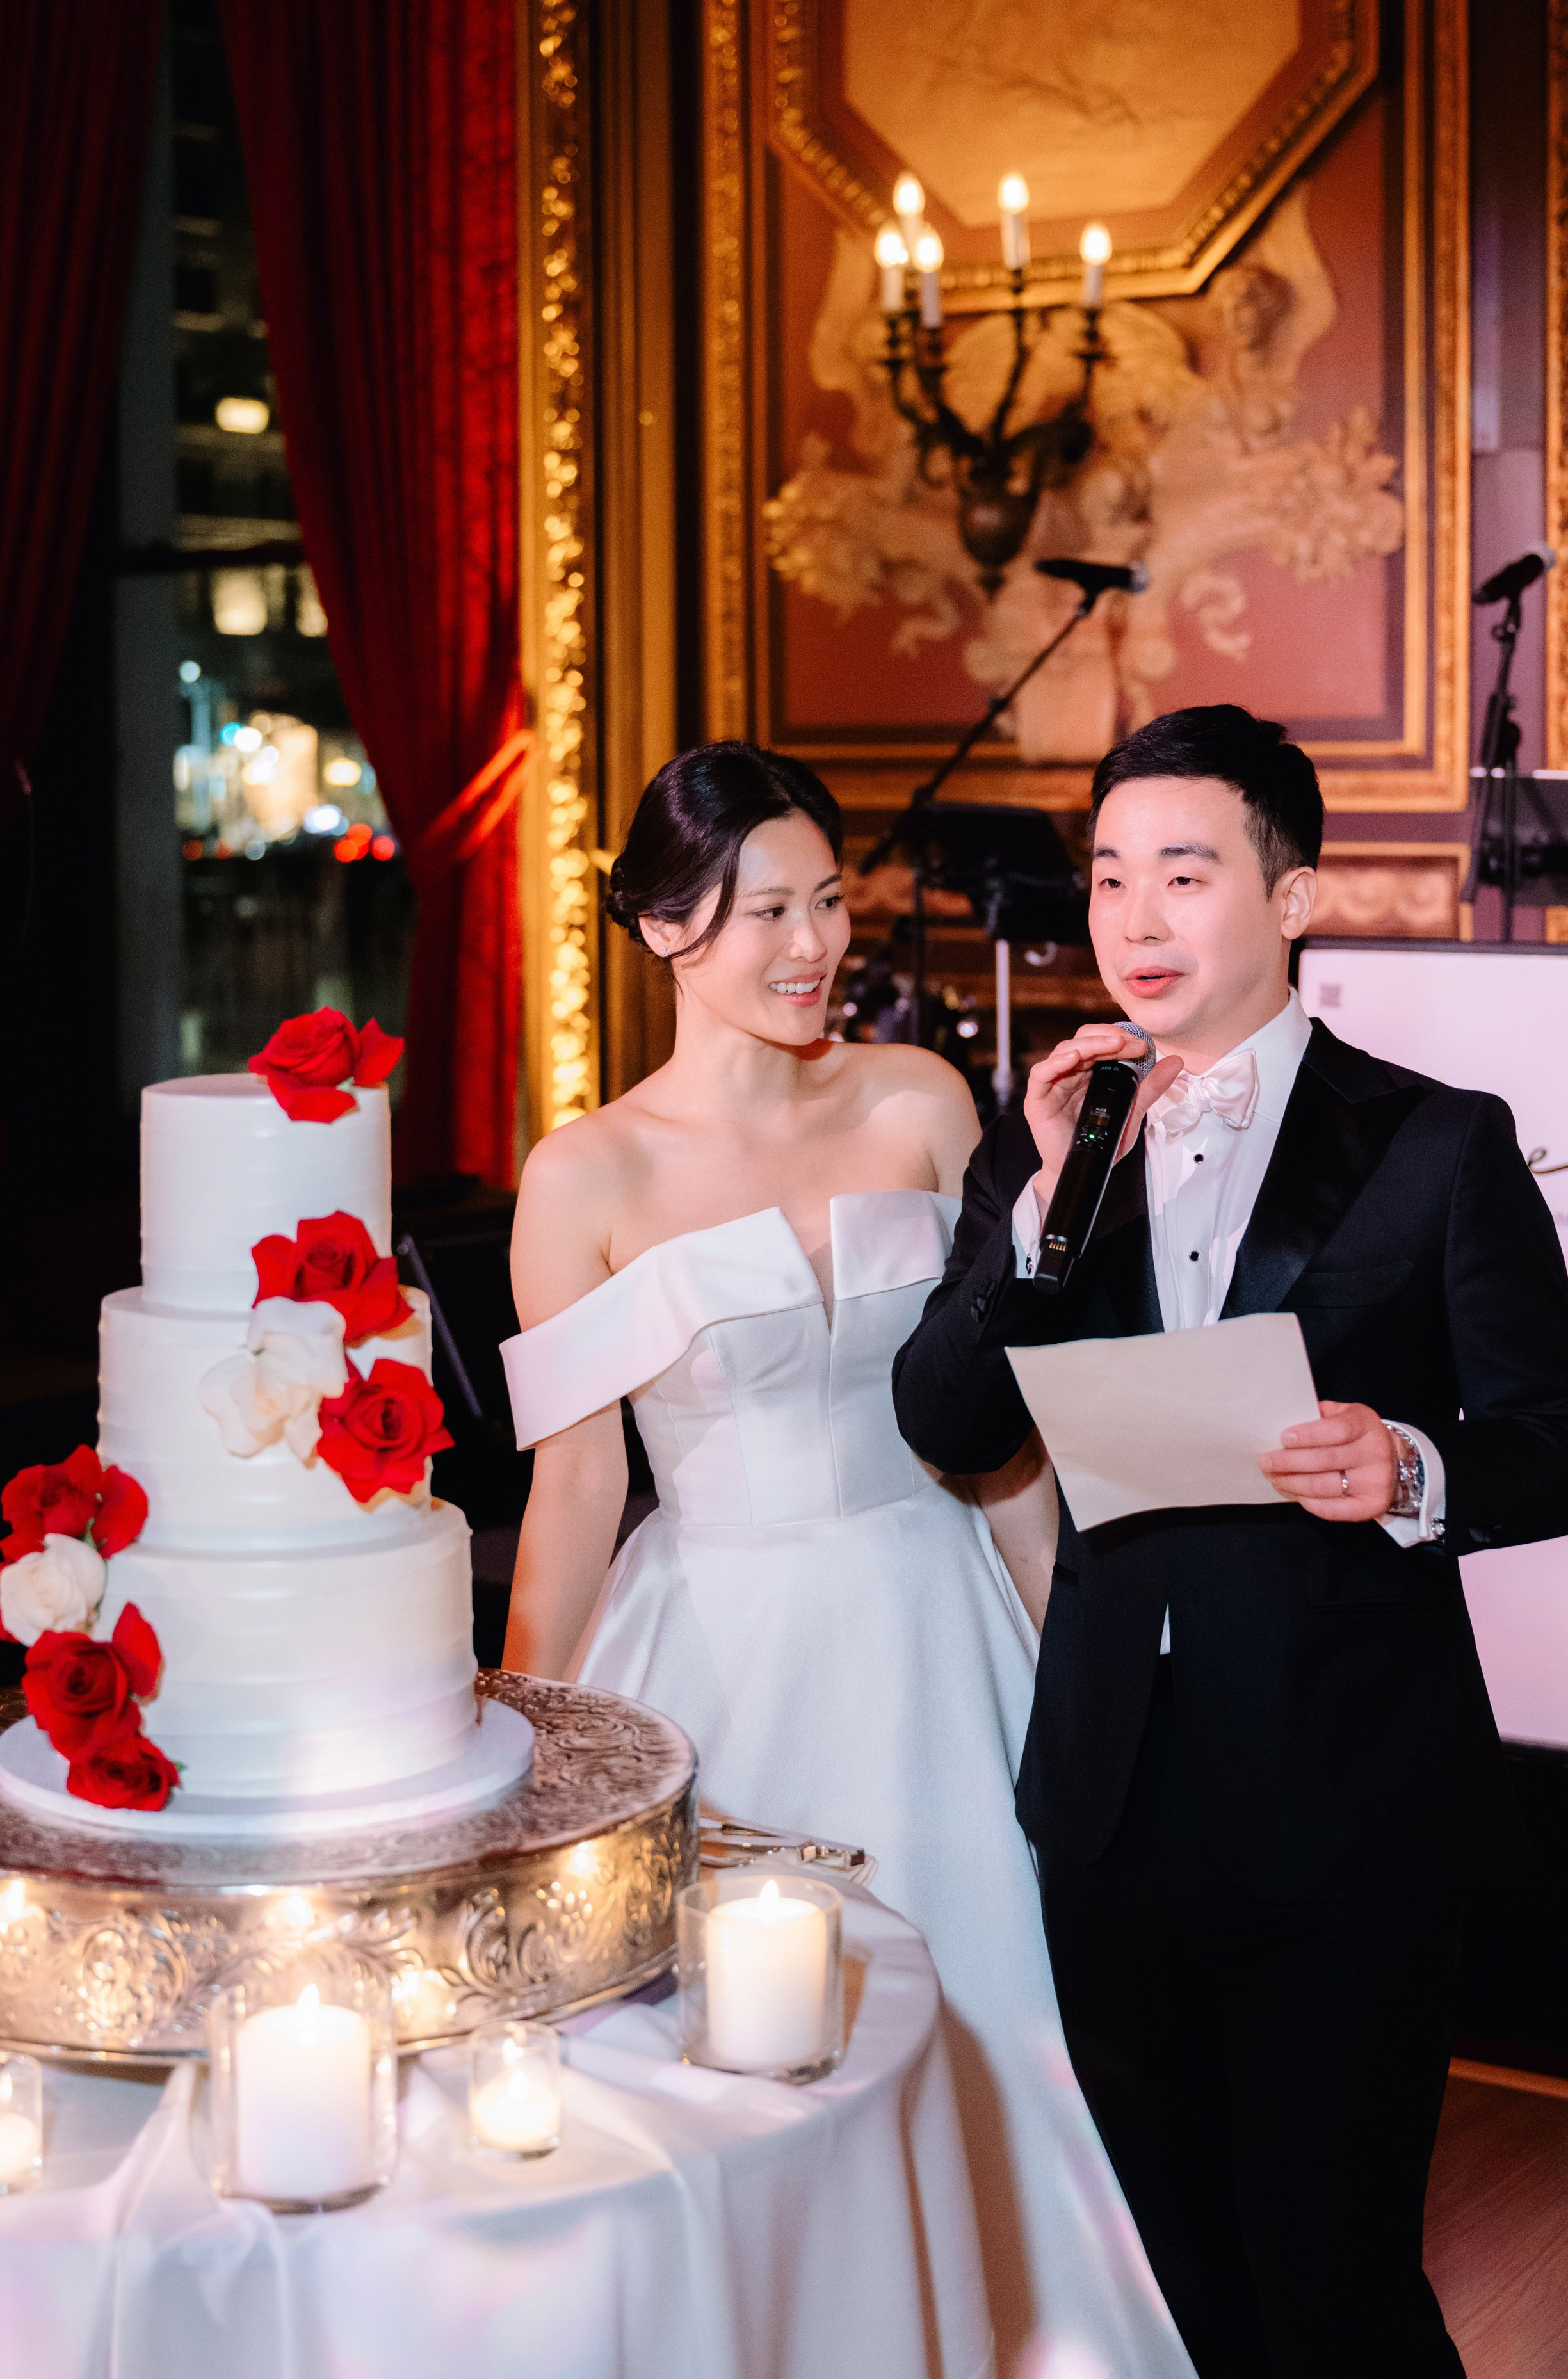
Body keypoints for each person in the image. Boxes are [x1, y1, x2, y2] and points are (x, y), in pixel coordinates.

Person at [893, 704, 1568, 2379]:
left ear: (1293, 898)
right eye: (1109, 878)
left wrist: (1415, 1463)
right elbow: (947, 1425)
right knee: (1185, 2282)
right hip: (1108, 1805)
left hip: (1352, 1814)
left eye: (1186, 873)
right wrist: (1034, 1211)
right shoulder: (1060, 1135)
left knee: (1337, 2280)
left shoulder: (1437, 1143)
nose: (1135, 921)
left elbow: (1562, 1450)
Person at [500, 743, 1194, 2378]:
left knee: (1004, 2020)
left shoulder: (919, 1100)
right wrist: (525, 1747)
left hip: (938, 1615)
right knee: (734, 2069)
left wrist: (1075, 1658)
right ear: (666, 928)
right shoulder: (583, 1175)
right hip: (717, 1659)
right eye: (767, 912)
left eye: (830, 900)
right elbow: (575, 1488)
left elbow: (998, 1421)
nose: (815, 945)